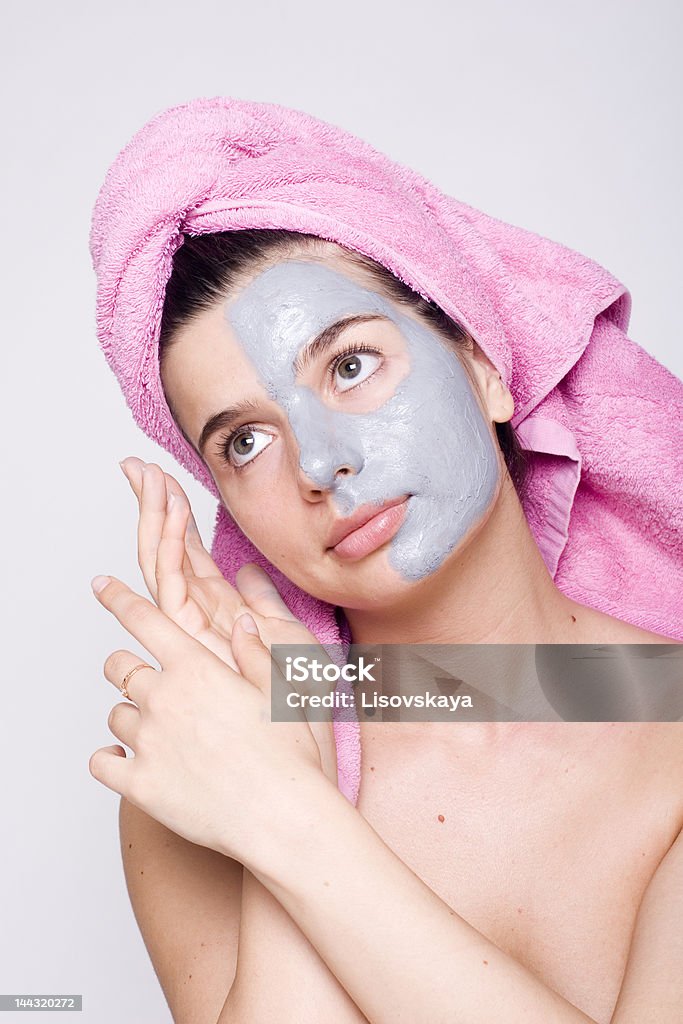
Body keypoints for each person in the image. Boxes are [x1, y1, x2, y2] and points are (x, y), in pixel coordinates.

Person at [87, 97, 683, 1024]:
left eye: (351, 367)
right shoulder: (192, 783)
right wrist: (274, 766)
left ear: (485, 359)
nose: (321, 465)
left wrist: (288, 820)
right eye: (245, 442)